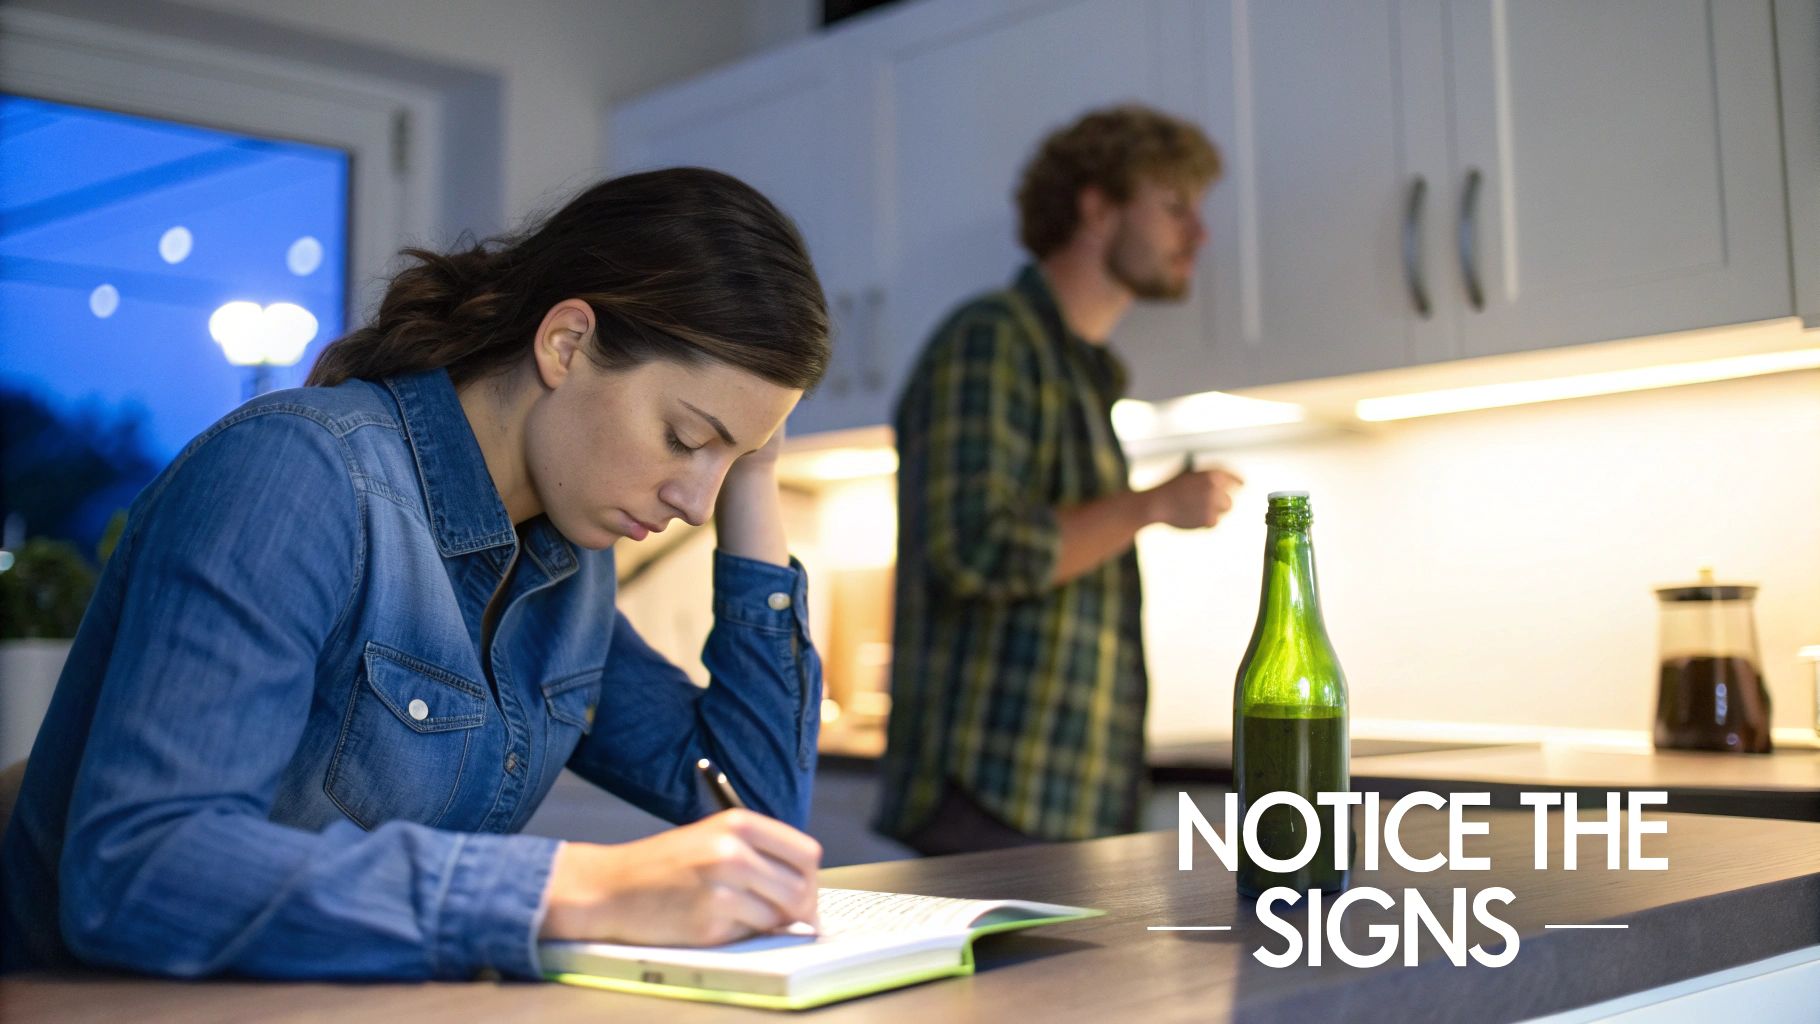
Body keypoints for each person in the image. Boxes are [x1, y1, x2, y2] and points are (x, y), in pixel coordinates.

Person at [0, 168, 832, 979]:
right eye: (687, 439)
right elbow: (139, 871)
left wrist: (752, 474)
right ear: (567, 343)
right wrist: (569, 887)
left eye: (734, 458)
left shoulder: (564, 568)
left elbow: (756, 813)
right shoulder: (297, 474)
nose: (696, 501)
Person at [876, 105, 1241, 855]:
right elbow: (975, 549)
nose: (1198, 235)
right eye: (1174, 207)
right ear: (1097, 208)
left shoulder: (1081, 371)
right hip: (990, 796)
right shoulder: (991, 340)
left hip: (1055, 798)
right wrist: (1154, 505)